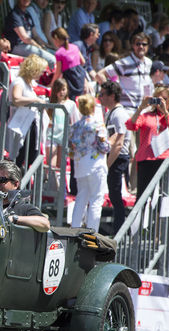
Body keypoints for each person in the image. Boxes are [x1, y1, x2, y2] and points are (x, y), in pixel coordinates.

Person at [125, 86, 169, 199]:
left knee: (164, 196)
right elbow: (131, 125)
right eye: (157, 99)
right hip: (146, 160)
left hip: (164, 159)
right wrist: (141, 108)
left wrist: (165, 112)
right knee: (143, 196)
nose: (160, 102)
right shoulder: (146, 116)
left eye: (164, 99)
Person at [68, 94, 110, 231]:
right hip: (96, 166)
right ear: (93, 107)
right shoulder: (98, 125)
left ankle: (74, 230)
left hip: (80, 167)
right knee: (96, 201)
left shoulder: (75, 127)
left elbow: (70, 149)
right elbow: (104, 147)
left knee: (81, 199)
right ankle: (92, 233)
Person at [99, 81, 132, 234]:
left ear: (112, 96)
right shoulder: (110, 112)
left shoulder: (119, 114)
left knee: (116, 195)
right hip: (113, 156)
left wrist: (107, 165)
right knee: (113, 195)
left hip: (118, 158)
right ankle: (117, 228)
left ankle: (119, 230)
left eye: (103, 94)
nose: (100, 97)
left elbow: (118, 144)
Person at [5, 54, 48, 168]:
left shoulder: (28, 84)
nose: (41, 73)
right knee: (20, 157)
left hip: (29, 123)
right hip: (21, 125)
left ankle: (24, 183)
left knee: (31, 155)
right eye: (40, 70)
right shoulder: (19, 82)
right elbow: (16, 99)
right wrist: (36, 100)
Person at [96, 33, 153, 111]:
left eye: (144, 44)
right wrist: (110, 92)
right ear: (133, 45)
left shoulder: (148, 62)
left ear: (148, 46)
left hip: (143, 110)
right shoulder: (125, 63)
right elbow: (100, 74)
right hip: (127, 109)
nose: (141, 46)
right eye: (138, 44)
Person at [0, 160, 51, 232]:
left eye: (2, 180)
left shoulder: (24, 208)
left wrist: (14, 219)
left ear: (15, 184)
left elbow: (45, 224)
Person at [3, 0, 56, 69]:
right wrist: (39, 47)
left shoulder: (27, 14)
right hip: (17, 46)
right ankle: (52, 79)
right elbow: (24, 38)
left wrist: (47, 46)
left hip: (29, 45)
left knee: (56, 54)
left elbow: (36, 36)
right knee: (52, 60)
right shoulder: (14, 14)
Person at [45, 78, 80, 167]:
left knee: (61, 166)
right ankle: (50, 180)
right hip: (51, 136)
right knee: (51, 165)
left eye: (63, 89)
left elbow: (75, 121)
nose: (61, 92)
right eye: (59, 90)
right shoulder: (49, 103)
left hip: (64, 138)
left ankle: (58, 181)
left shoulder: (71, 104)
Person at [50, 27, 87, 99]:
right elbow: (83, 62)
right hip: (80, 76)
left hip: (70, 79)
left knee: (70, 99)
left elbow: (58, 72)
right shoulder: (75, 47)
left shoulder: (59, 53)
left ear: (56, 39)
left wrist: (52, 84)